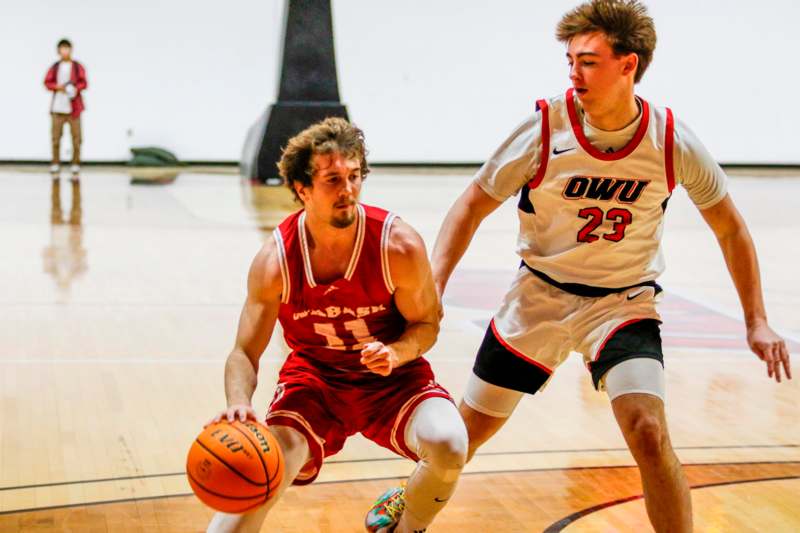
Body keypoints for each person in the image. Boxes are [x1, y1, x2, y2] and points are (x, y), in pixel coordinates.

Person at [430, 1, 792, 532]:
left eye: (589, 61)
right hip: (539, 299)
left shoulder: (670, 139)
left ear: (630, 64)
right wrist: (433, 286)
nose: (574, 72)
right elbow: (471, 203)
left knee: (648, 430)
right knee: (463, 438)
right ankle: (408, 506)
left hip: (623, 303)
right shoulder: (542, 129)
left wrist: (756, 319)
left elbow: (731, 227)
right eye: (570, 60)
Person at [207, 118, 467, 533]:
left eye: (354, 176)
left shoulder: (397, 245)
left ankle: (406, 527)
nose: (347, 191)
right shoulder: (276, 262)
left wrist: (395, 352)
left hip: (393, 381)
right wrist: (239, 402)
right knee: (257, 479)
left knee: (450, 444)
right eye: (332, 180)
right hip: (315, 384)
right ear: (301, 189)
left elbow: (427, 325)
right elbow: (243, 352)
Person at [44, 38, 88, 181]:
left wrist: (74, 88)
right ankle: (55, 164)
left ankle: (75, 165)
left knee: (77, 138)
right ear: (58, 50)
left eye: (67, 48)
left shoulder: (77, 66)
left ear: (71, 49)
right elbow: (47, 82)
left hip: (74, 109)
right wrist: (59, 87)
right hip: (58, 109)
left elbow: (84, 82)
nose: (65, 51)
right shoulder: (55, 67)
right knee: (55, 138)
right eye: (62, 49)